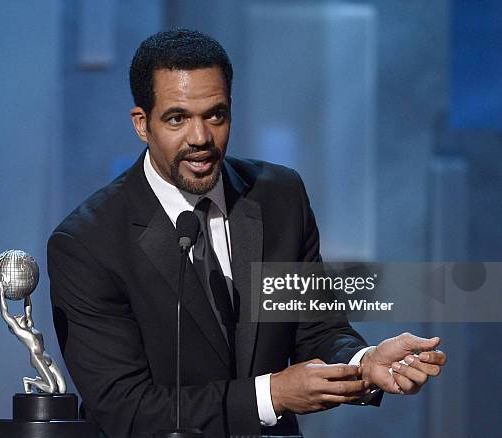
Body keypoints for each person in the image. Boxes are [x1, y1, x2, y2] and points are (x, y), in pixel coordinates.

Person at [47, 29, 446, 437]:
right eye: (177, 118)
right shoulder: (88, 243)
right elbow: (125, 409)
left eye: (214, 115)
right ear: (142, 124)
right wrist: (270, 396)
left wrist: (366, 362)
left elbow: (316, 329)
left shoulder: (279, 198)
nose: (200, 138)